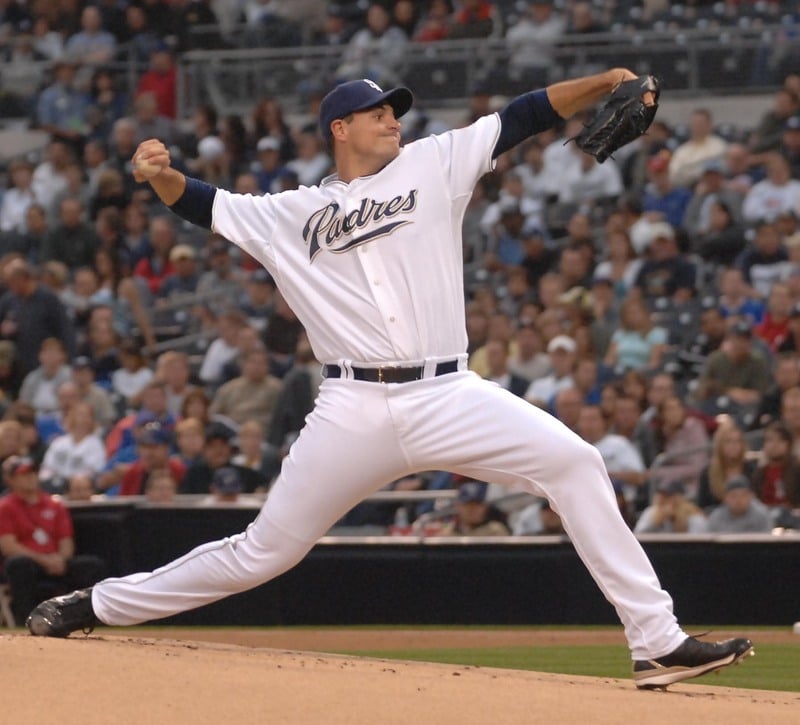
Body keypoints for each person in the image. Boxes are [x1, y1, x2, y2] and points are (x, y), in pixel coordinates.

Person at [27, 71, 752, 689]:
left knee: (576, 462)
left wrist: (606, 83)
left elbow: (527, 114)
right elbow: (202, 202)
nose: (392, 120)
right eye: (377, 113)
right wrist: (157, 174)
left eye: (394, 112)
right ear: (340, 128)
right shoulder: (289, 214)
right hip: (353, 406)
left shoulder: (434, 163)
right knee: (264, 552)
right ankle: (98, 605)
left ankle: (656, 641)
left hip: (448, 393)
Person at [0, 456, 105, 625]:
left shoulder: (54, 504)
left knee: (91, 565)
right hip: (30, 563)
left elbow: (66, 541)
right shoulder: (5, 507)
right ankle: (26, 620)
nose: (31, 477)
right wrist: (43, 560)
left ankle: (86, 618)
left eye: (33, 473)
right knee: (18, 564)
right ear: (11, 480)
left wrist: (60, 559)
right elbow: (9, 546)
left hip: (56, 562)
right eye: (24, 474)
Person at [634, 480, 709, 534]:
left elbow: (699, 542)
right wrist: (655, 523)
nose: (662, 500)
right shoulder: (651, 512)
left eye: (667, 497)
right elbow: (638, 537)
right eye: (661, 496)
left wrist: (680, 522)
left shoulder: (694, 515)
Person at [706, 477, 773, 534]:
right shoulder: (716, 518)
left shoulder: (761, 515)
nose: (738, 500)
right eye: (733, 496)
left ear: (751, 496)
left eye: (743, 495)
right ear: (725, 498)